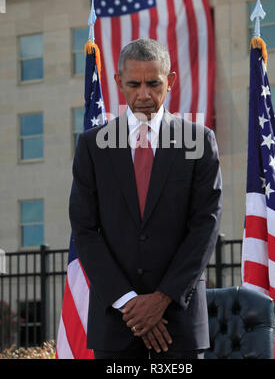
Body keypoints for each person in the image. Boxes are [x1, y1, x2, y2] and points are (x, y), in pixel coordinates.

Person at [69, 38, 222, 360]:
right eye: (134, 84)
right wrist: (129, 303)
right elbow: (84, 229)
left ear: (171, 81)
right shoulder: (92, 146)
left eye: (153, 83)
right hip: (115, 320)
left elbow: (205, 226)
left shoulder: (199, 141)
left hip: (178, 321)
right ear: (118, 83)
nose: (143, 95)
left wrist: (162, 298)